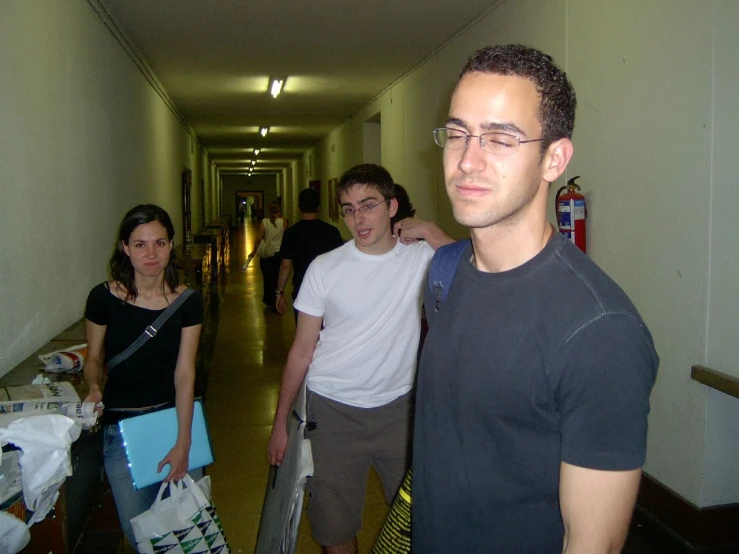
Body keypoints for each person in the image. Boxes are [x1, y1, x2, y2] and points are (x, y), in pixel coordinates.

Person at [412, 44, 660, 553]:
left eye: (500, 138)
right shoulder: (445, 275)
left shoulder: (599, 331)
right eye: (457, 133)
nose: (467, 160)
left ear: (555, 158)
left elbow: (593, 545)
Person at [267, 163, 452, 554]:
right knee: (334, 528)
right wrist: (281, 422)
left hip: (399, 412)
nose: (357, 218)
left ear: (392, 206)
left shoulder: (418, 257)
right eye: (348, 208)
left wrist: (431, 231)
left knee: (423, 521)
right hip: (332, 410)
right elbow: (302, 349)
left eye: (368, 205)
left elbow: (479, 268)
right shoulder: (325, 268)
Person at [83, 204, 204, 548]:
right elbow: (93, 358)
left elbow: (185, 373)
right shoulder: (103, 298)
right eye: (140, 244)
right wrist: (93, 386)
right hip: (122, 431)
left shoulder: (188, 302)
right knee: (141, 536)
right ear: (124, 246)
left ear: (171, 245)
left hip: (174, 421)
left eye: (160, 243)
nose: (151, 254)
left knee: (186, 534)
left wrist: (184, 442)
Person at [275, 188, 343, 322]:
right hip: (328, 291)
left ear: (299, 207)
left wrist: (280, 293)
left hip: (302, 289)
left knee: (305, 335)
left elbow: (285, 266)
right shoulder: (332, 232)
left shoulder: (291, 233)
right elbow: (340, 265)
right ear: (319, 207)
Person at [247, 201, 288, 309]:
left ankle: (268, 299)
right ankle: (276, 298)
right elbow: (286, 237)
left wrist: (253, 251)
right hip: (279, 254)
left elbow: (259, 238)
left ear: (270, 211)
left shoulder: (265, 222)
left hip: (267, 254)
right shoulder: (283, 221)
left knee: (267, 277)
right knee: (276, 277)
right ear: (279, 210)